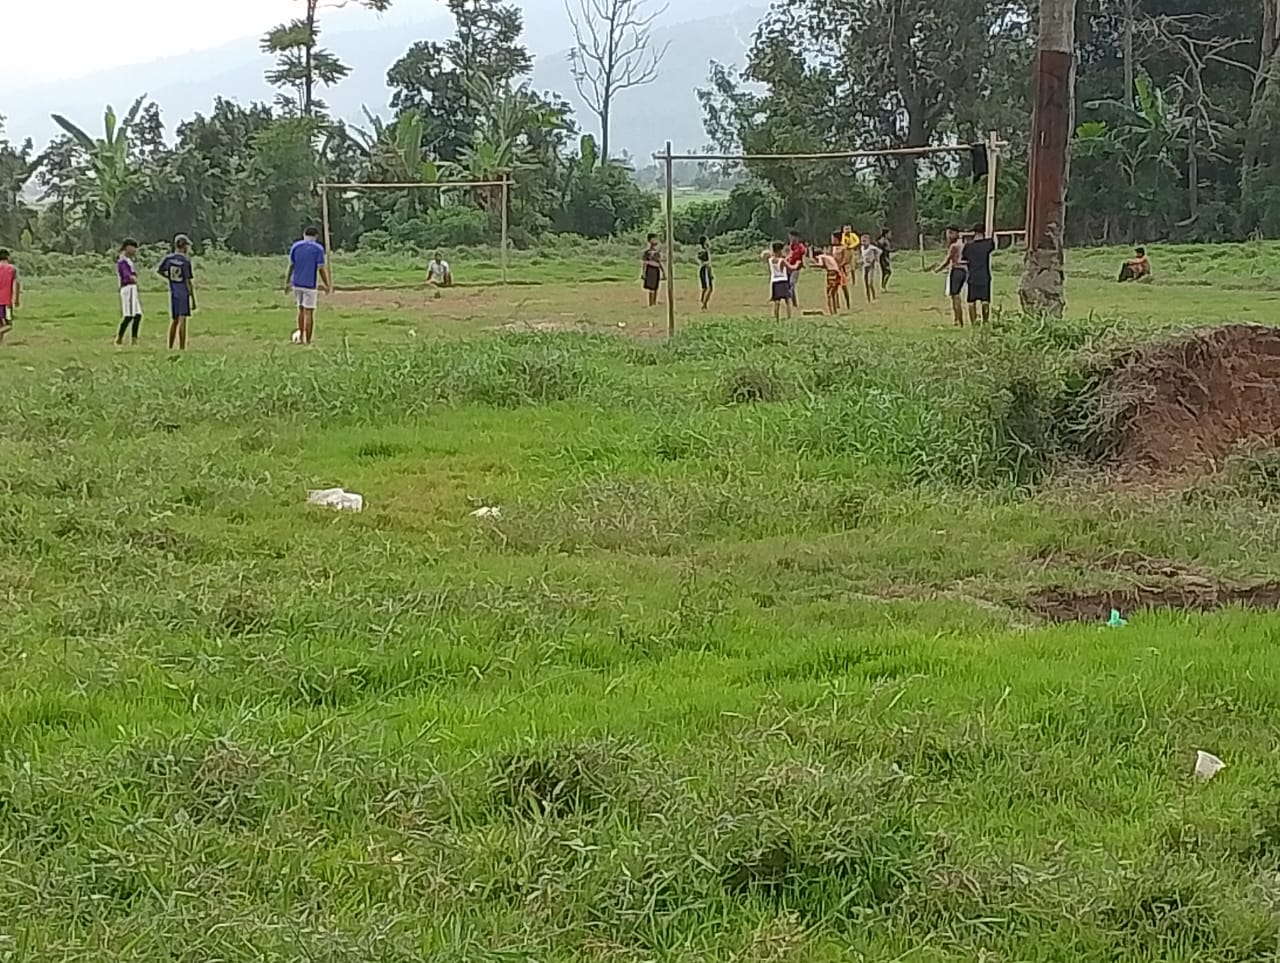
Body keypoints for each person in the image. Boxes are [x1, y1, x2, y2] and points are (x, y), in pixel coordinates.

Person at [286, 226, 332, 346]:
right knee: (309, 312)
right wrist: (327, 284)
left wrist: (287, 282)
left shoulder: (295, 246)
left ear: (304, 234)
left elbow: (291, 266)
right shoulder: (318, 249)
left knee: (300, 310)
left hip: (296, 283)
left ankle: (301, 337)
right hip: (309, 284)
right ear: (316, 236)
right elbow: (321, 268)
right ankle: (308, 340)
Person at [159, 234, 196, 351]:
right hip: (183, 293)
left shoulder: (168, 259)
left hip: (173, 292)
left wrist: (169, 277)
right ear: (184, 246)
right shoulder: (185, 261)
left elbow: (160, 270)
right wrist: (193, 299)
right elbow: (188, 281)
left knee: (174, 320)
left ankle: (170, 346)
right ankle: (182, 347)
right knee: (182, 320)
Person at [961, 222, 997, 325]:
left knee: (971, 301)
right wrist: (992, 232)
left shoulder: (968, 246)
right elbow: (994, 244)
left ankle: (974, 322)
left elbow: (964, 259)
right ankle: (985, 321)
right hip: (985, 276)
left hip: (972, 276)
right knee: (985, 300)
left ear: (974, 232)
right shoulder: (987, 244)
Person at [934, 226, 967, 326]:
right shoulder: (964, 244)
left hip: (956, 270)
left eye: (950, 233)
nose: (948, 236)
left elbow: (948, 259)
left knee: (955, 296)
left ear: (957, 233)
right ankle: (957, 319)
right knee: (956, 295)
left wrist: (938, 269)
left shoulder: (954, 246)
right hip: (964, 270)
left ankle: (959, 320)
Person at [116, 238, 142, 345]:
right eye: (133, 248)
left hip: (132, 288)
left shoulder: (128, 261)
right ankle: (120, 338)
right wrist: (132, 277)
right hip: (128, 288)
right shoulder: (122, 261)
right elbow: (126, 274)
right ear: (127, 247)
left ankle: (134, 339)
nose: (134, 250)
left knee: (138, 314)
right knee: (129, 315)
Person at [764, 241, 793, 321]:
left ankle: (776, 318)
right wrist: (797, 264)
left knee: (777, 301)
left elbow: (767, 255)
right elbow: (790, 267)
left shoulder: (770, 260)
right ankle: (789, 317)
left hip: (774, 281)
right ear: (780, 250)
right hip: (783, 280)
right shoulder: (782, 260)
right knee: (787, 300)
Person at [812, 244, 842, 315]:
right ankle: (835, 310)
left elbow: (821, 264)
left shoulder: (820, 257)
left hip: (831, 273)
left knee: (829, 293)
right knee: (834, 293)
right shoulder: (829, 256)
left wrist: (813, 265)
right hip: (837, 273)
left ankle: (831, 311)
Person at [0, 249, 18, 345]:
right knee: (8, 325)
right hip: (6, 303)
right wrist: (15, 300)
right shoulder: (12, 269)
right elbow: (15, 285)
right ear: (8, 257)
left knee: (1, 324)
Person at [831, 231, 852, 309]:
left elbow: (845, 259)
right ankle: (836, 304)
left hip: (841, 269)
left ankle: (848, 304)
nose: (832, 240)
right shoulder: (833, 248)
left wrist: (840, 265)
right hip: (834, 269)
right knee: (834, 287)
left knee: (844, 287)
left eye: (833, 238)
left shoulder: (843, 248)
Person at [786, 230, 807, 308]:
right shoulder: (792, 245)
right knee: (789, 285)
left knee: (792, 283)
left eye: (791, 237)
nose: (790, 239)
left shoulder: (800, 246)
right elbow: (790, 255)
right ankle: (793, 302)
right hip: (789, 266)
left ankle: (791, 301)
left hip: (796, 267)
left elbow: (803, 254)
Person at [641, 234, 663, 307]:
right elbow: (644, 263)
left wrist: (663, 271)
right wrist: (643, 273)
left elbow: (660, 262)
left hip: (656, 269)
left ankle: (655, 302)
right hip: (650, 269)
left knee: (656, 287)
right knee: (651, 287)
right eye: (654, 239)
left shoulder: (657, 252)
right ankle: (651, 303)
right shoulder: (647, 252)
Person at [859, 234, 881, 303]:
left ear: (869, 241)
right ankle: (868, 299)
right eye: (862, 241)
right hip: (865, 266)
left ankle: (873, 297)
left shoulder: (872, 248)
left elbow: (880, 251)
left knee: (870, 283)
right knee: (865, 284)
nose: (864, 243)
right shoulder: (862, 248)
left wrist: (876, 258)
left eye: (865, 241)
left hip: (871, 266)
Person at [697, 236, 714, 310]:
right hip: (705, 269)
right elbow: (706, 262)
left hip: (703, 269)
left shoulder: (701, 250)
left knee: (704, 288)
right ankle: (704, 304)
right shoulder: (704, 251)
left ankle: (702, 301)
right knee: (710, 288)